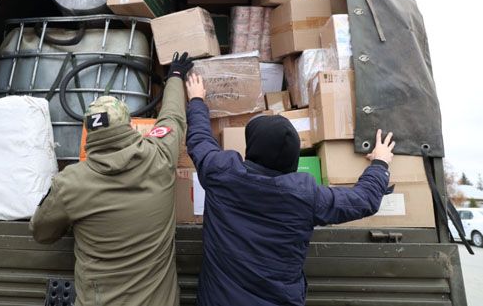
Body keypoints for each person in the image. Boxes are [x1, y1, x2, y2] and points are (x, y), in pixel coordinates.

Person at [184, 74, 394, 306]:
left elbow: (200, 139)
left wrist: (196, 100)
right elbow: (364, 200)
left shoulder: (221, 173)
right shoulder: (306, 197)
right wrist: (380, 163)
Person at [30, 52, 193, 306]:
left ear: (88, 133)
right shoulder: (160, 155)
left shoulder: (70, 183)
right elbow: (173, 118)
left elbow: (42, 233)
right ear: (130, 125)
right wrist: (175, 76)